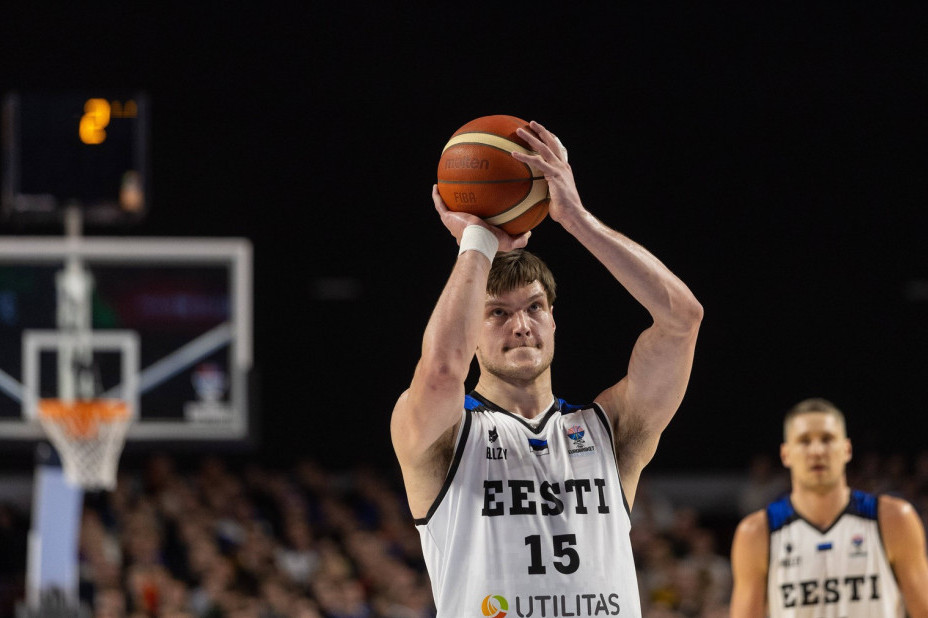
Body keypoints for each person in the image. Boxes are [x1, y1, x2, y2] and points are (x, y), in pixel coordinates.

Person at [390, 120, 703, 617]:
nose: (521, 326)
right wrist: (476, 242)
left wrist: (576, 218)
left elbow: (682, 320)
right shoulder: (445, 432)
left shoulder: (609, 429)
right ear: (471, 329)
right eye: (497, 313)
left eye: (534, 308)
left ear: (553, 318)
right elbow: (442, 372)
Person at [730, 398, 928, 617]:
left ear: (847, 449)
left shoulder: (893, 519)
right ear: (785, 454)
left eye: (827, 439)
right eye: (804, 441)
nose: (817, 451)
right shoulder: (757, 533)